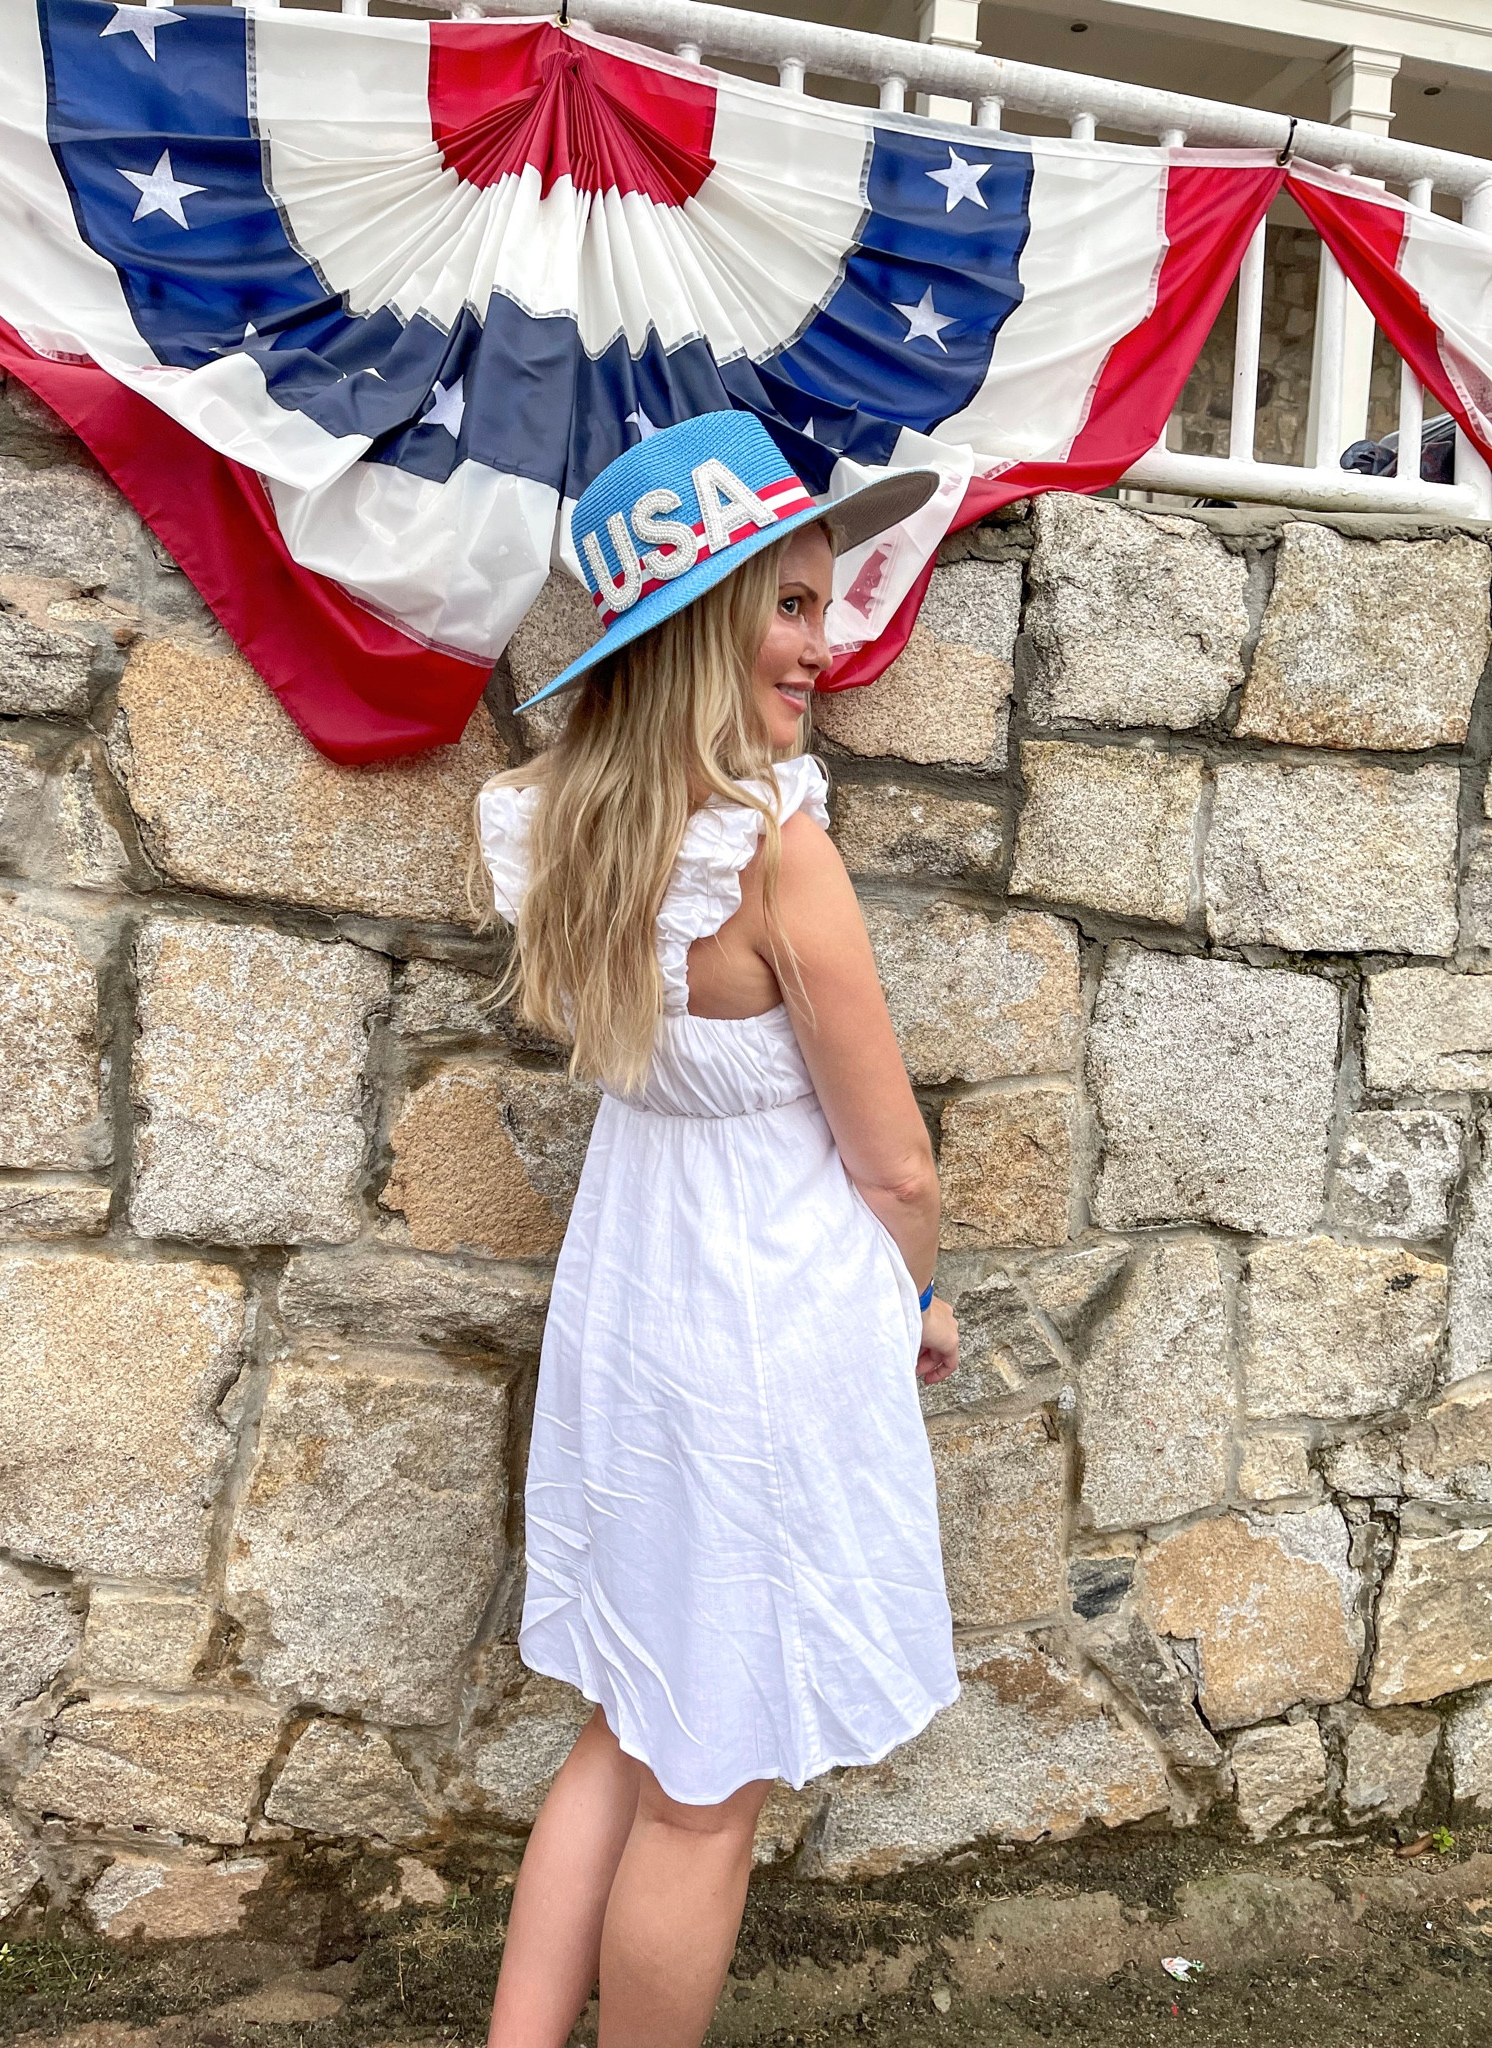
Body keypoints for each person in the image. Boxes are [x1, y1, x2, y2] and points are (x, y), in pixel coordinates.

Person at [473, 411, 961, 2048]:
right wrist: (925, 1297)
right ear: (694, 628)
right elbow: (891, 1161)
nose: (824, 644)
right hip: (765, 1306)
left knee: (630, 1722)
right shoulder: (771, 852)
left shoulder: (552, 828)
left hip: (636, 1289)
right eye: (789, 605)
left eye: (822, 603)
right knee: (707, 1788)